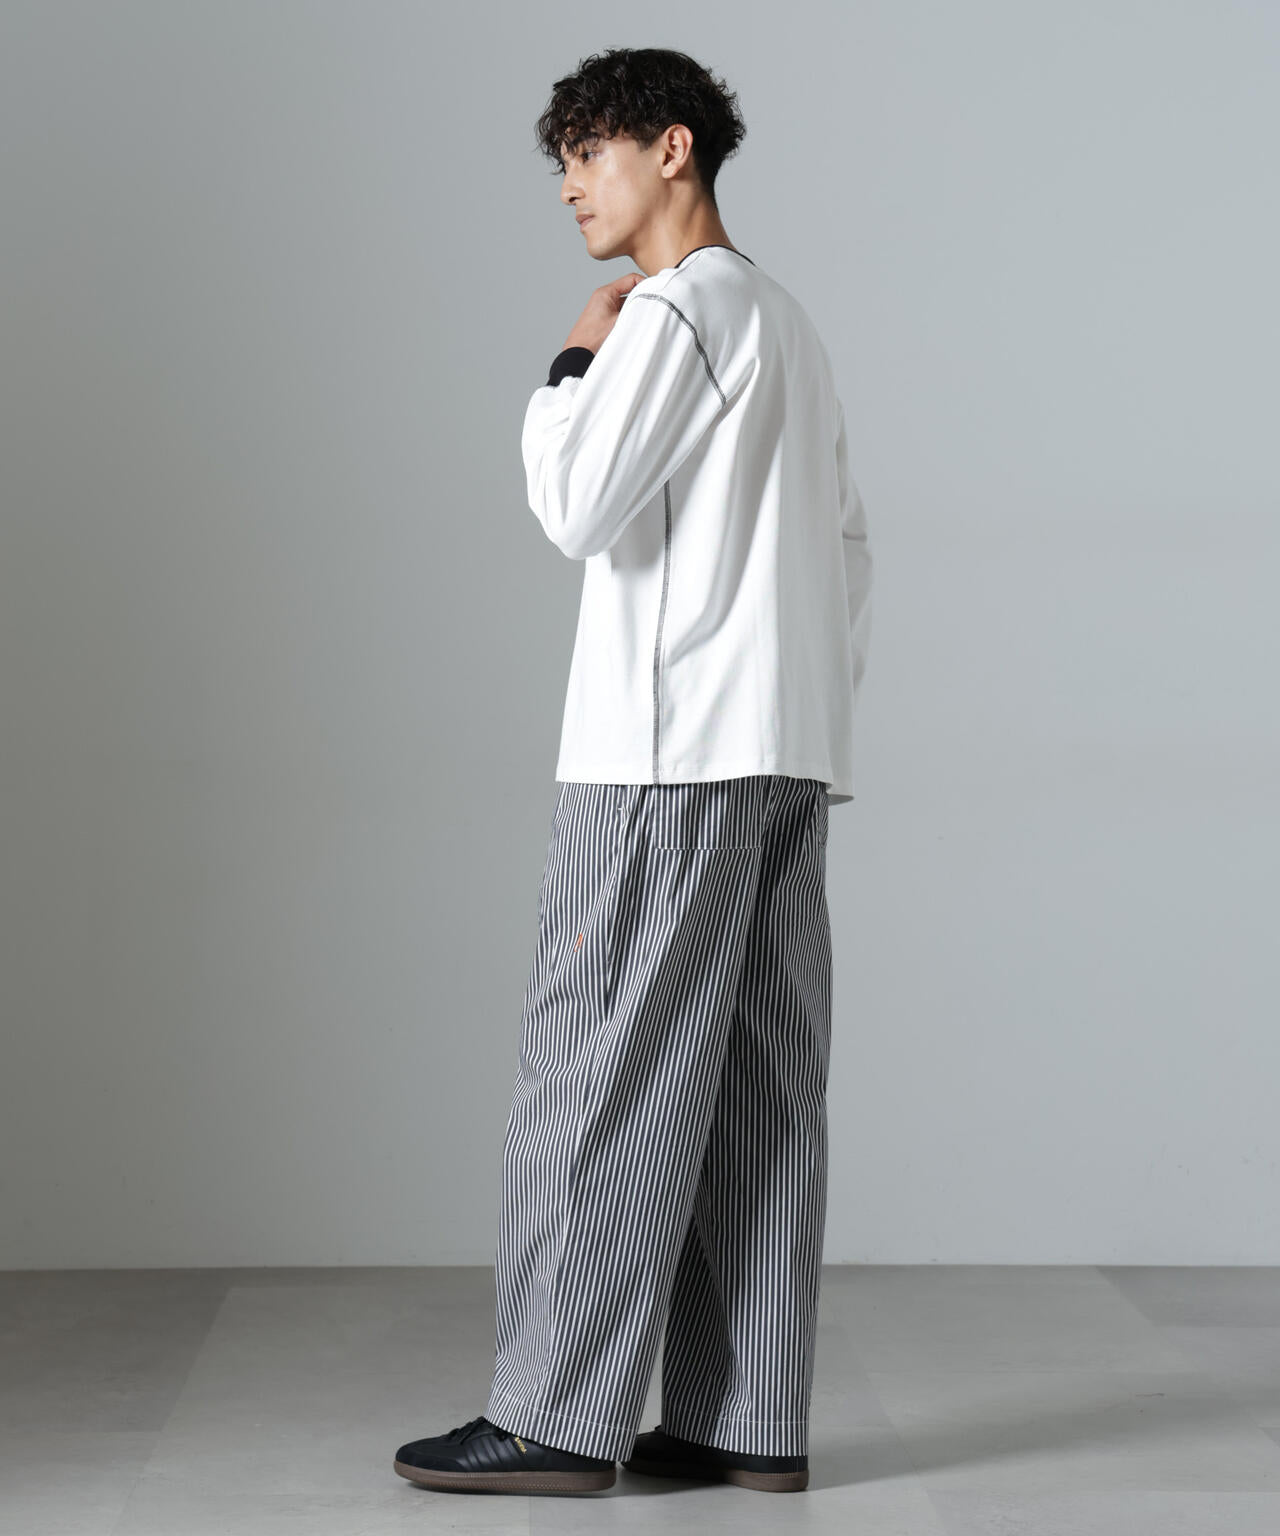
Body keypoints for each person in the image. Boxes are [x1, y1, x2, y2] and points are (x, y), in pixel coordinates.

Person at [394, 45, 873, 1497]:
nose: (570, 186)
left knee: (597, 1074)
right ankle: (747, 1418)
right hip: (781, 760)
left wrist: (570, 367)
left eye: (590, 154)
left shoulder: (675, 309)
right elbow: (848, 548)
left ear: (673, 149)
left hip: (662, 766)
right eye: (562, 163)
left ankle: (554, 1415)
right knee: (759, 1099)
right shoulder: (787, 321)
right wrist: (808, 719)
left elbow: (578, 503)